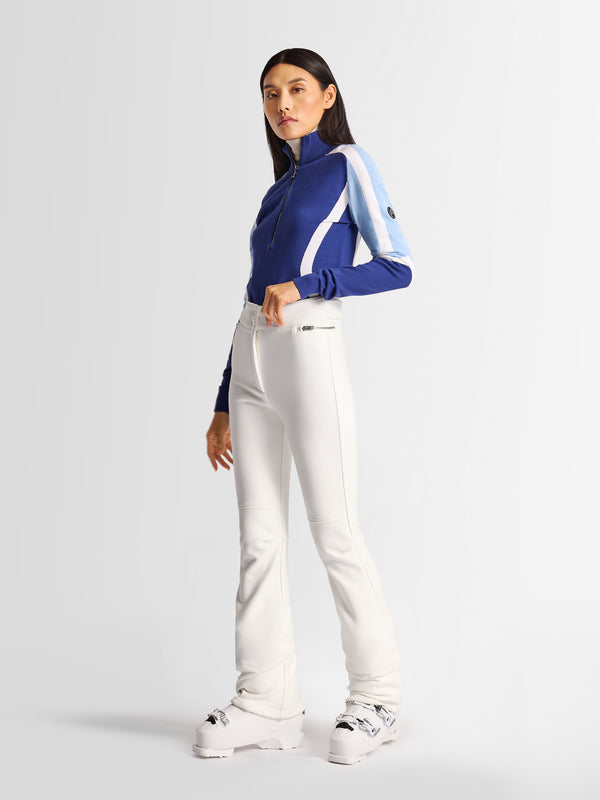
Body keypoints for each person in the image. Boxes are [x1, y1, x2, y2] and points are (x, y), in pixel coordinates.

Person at [194, 47, 414, 766]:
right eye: (270, 93)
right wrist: (223, 400)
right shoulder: (277, 190)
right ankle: (267, 701)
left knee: (335, 530)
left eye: (296, 89)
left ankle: (378, 698)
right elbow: (252, 294)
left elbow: (397, 266)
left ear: (327, 95)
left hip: (309, 350)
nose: (282, 103)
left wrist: (314, 283)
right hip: (252, 360)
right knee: (258, 538)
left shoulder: (348, 165)